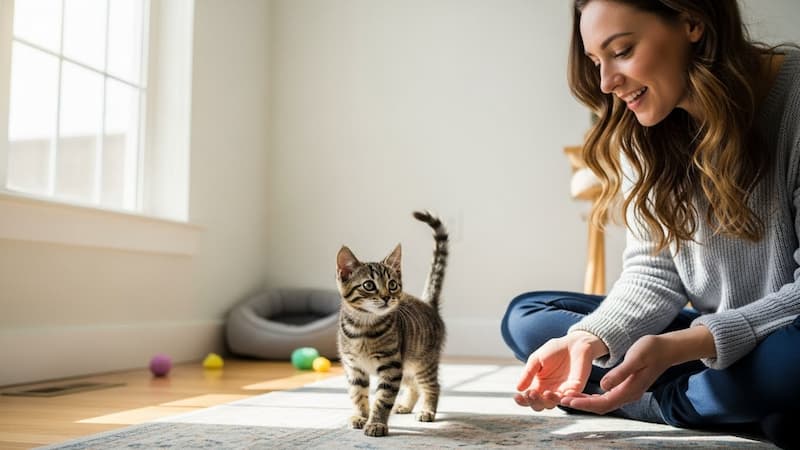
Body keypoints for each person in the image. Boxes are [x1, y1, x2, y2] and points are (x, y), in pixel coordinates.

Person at [501, 0, 800, 447]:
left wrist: (686, 345)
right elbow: (654, 274)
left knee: (791, 363)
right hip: (714, 344)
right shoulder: (643, 126)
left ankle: (669, 405)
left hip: (779, 335)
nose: (606, 82)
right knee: (527, 318)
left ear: (693, 21)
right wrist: (591, 339)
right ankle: (743, 405)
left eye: (621, 51)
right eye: (596, 61)